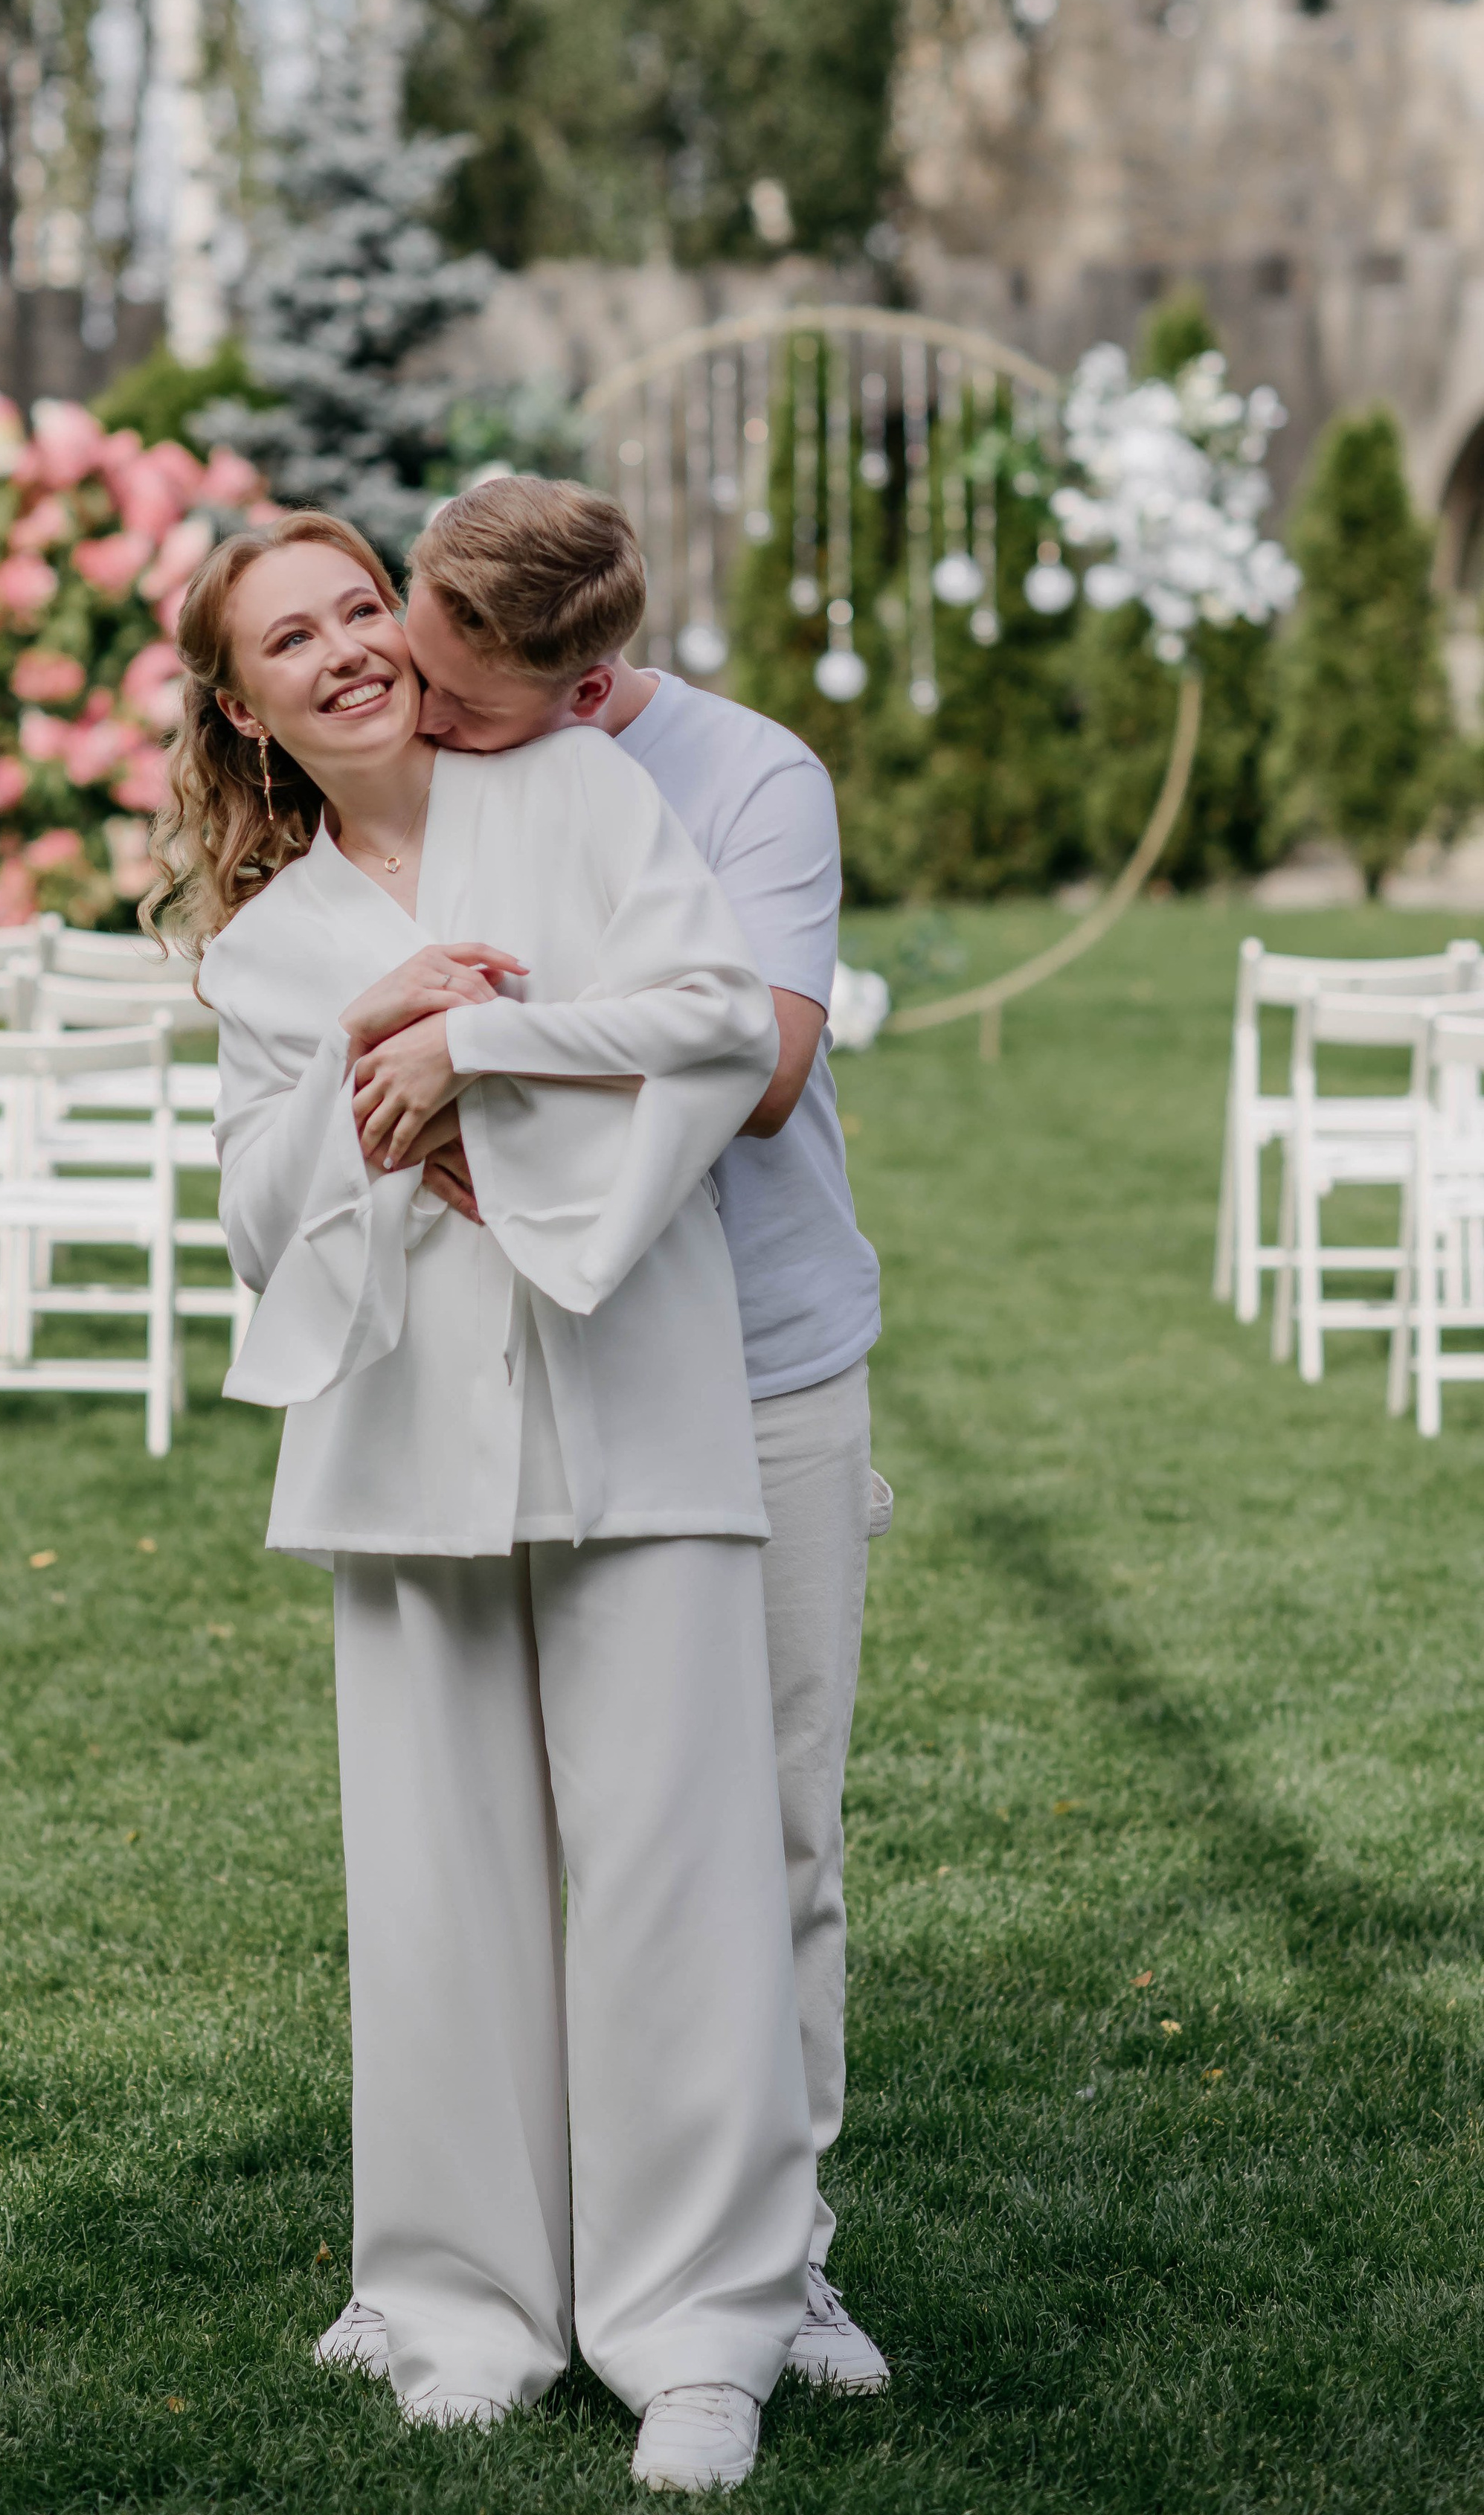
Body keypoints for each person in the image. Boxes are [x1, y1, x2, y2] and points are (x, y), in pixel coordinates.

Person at [152, 509, 816, 2492]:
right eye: (290, 639)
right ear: (244, 710)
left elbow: (722, 1022)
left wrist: (480, 1052)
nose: (346, 649)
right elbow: (259, 1223)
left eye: (362, 605)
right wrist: (372, 1045)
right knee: (437, 1897)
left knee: (680, 1882)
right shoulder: (269, 949)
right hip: (402, 1451)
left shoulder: (581, 794)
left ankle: (699, 2332)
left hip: (636, 1397)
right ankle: (464, 2310)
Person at [394, 474, 891, 2394]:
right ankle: (516, 2267)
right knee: (516, 1830)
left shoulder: (751, 779)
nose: (426, 722)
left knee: (769, 1825)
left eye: (465, 703)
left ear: (587, 689)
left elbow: (761, 1069)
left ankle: (777, 2260)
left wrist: (484, 1046)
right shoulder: (435, 755)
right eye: (419, 676)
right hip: (527, 1356)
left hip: (761, 1361)